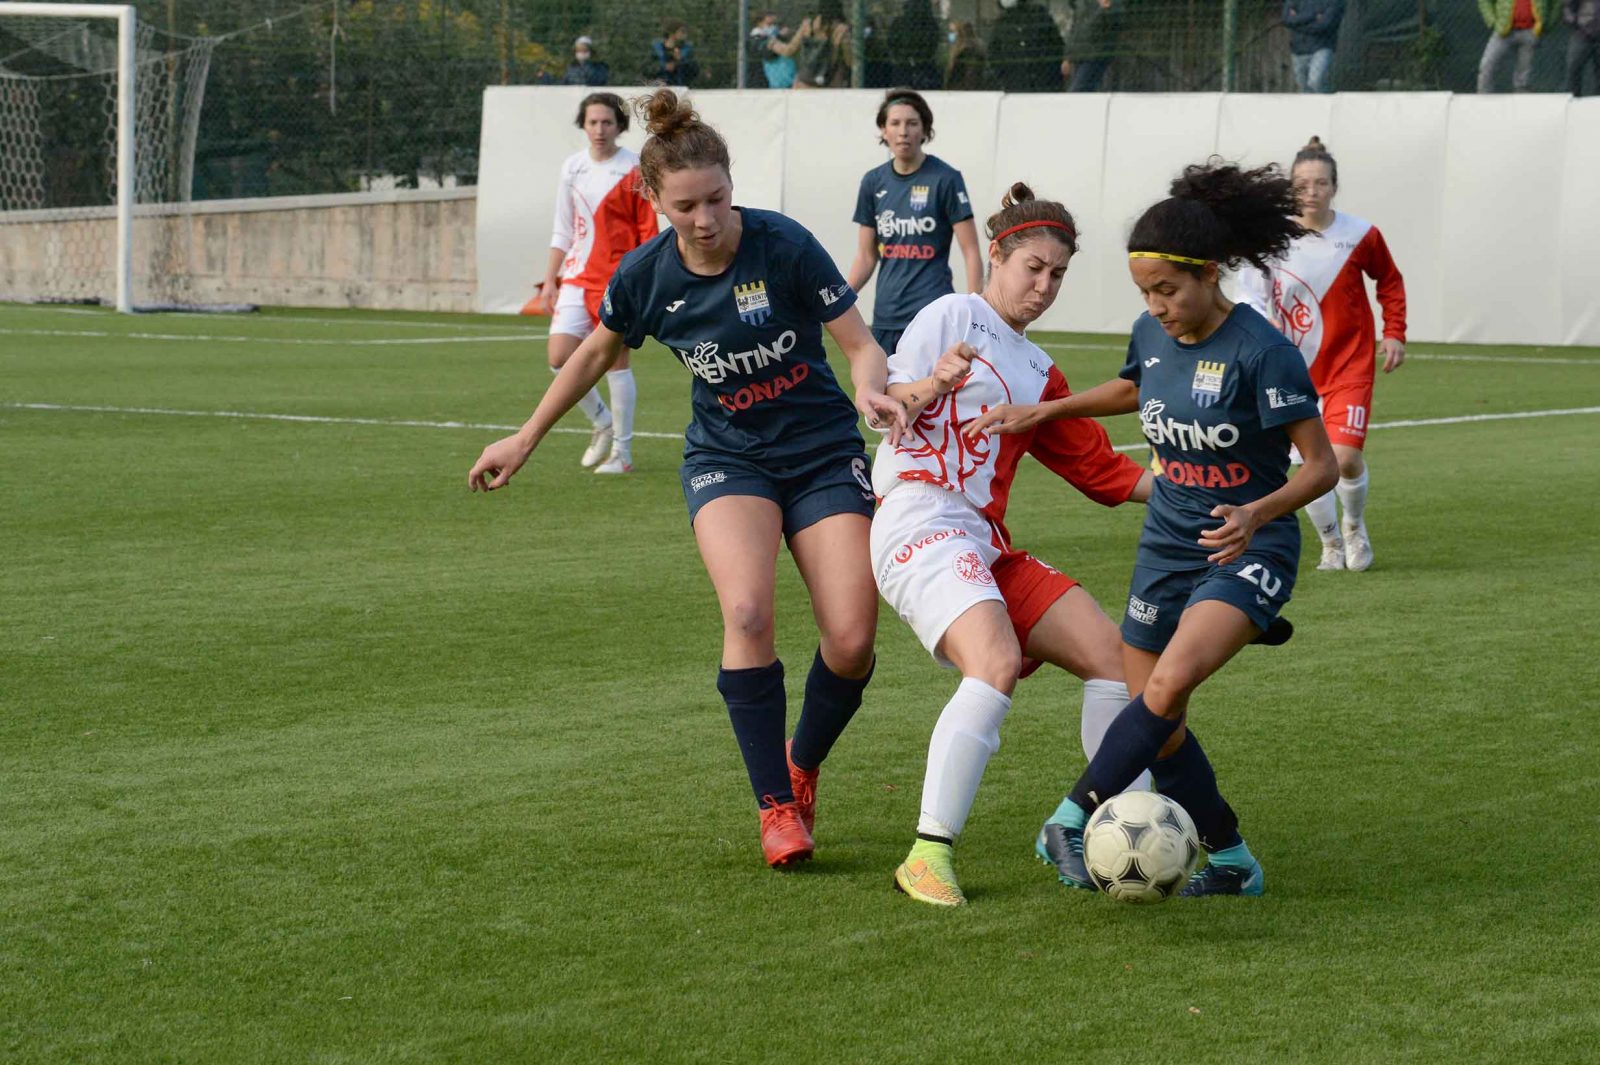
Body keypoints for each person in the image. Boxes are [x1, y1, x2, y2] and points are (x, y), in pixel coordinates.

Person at [469, 90, 907, 869]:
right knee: (745, 611)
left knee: (851, 636)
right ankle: (775, 806)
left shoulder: (784, 245)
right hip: (728, 457)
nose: (706, 219)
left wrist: (872, 385)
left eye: (717, 199)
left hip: (819, 447)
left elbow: (859, 343)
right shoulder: (645, 275)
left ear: (731, 186)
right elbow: (595, 353)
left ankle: (800, 764)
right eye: (686, 206)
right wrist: (528, 436)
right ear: (654, 199)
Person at [966, 160, 1339, 898]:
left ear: (1210, 274)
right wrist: (1043, 411)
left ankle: (1070, 817)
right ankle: (1232, 859)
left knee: (1165, 687)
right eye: (1145, 293)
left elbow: (1321, 466)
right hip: (1167, 543)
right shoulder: (1153, 330)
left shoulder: (1262, 352)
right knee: (1157, 722)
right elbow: (1137, 383)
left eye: (1168, 290)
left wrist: (1258, 511)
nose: (1157, 306)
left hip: (1247, 545)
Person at [873, 184, 1155, 907]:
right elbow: (890, 407)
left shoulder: (1041, 372)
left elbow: (1105, 473)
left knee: (1110, 658)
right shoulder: (953, 314)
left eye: (1057, 274)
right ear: (994, 255)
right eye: (1032, 266)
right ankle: (927, 854)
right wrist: (932, 383)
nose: (1043, 285)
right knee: (993, 662)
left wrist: (1207, 486)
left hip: (980, 539)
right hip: (918, 517)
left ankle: (1124, 826)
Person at [1235, 137, 1406, 571]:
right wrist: (1261, 330)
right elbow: (1249, 295)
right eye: (1302, 183)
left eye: (1320, 183)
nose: (1311, 191)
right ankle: (1330, 544)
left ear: (1334, 187)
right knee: (1311, 467)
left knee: (1344, 458)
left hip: (1349, 364)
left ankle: (1353, 526)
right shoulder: (1272, 240)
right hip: (1291, 370)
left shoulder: (1360, 234)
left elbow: (1389, 280)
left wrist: (1394, 332)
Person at [536, 93, 660, 474]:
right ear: (583, 125)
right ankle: (602, 422)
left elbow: (648, 230)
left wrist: (641, 281)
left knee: (615, 362)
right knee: (559, 356)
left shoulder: (635, 169)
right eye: (593, 122)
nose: (599, 130)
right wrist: (550, 280)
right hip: (576, 276)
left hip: (617, 279)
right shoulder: (572, 167)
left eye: (607, 122)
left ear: (618, 126)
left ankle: (622, 454)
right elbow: (563, 227)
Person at [846, 89, 984, 361]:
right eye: (895, 123)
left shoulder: (946, 179)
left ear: (924, 130)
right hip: (886, 315)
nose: (903, 131)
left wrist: (977, 313)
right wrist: (839, 299)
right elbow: (866, 255)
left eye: (912, 123)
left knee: (932, 398)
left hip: (933, 313)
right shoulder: (873, 183)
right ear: (883, 130)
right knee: (882, 399)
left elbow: (971, 252)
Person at [988, 0, 1066, 92]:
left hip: (1042, 84)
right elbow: (993, 54)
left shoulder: (1038, 14)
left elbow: (1056, 46)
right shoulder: (1002, 24)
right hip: (1019, 85)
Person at [771, 1, 852, 88]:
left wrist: (772, 43)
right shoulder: (841, 29)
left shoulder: (807, 25)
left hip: (804, 83)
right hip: (830, 83)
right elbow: (850, 61)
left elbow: (789, 51)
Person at [1478, 0, 1551, 92]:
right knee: (1487, 64)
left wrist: (1545, 23)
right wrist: (1492, 21)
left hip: (1530, 32)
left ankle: (1521, 101)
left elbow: (1556, 3)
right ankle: (1483, 99)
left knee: (1524, 76)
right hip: (1503, 31)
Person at [1281, 0, 1345, 93]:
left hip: (1322, 47)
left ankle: (1326, 105)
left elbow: (1324, 25)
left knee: (1316, 81)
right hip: (1298, 49)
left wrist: (1297, 24)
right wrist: (1313, 16)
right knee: (1304, 89)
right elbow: (1287, 20)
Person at [1062, 0, 1124, 92]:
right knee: (1084, 94)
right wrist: (1067, 57)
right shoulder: (1081, 4)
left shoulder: (1113, 4)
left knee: (1077, 93)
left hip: (1096, 56)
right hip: (1079, 55)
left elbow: (1117, 23)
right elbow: (1075, 30)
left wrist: (1107, 9)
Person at [889, 0, 943, 89]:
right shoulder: (931, 24)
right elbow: (934, 44)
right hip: (922, 64)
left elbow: (892, 42)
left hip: (905, 64)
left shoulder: (899, 22)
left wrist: (900, 56)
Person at [749, 12, 797, 89]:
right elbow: (770, 53)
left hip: (789, 82)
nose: (773, 27)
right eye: (769, 24)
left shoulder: (774, 36)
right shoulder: (757, 40)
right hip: (770, 86)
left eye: (775, 24)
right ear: (759, 24)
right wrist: (779, 36)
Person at [647, 20, 700, 86]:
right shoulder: (656, 49)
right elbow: (646, 69)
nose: (685, 35)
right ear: (672, 33)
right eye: (682, 32)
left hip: (681, 87)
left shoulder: (687, 50)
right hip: (659, 88)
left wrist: (680, 61)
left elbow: (694, 71)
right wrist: (663, 67)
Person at [944, 20, 989, 90]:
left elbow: (970, 78)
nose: (951, 35)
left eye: (953, 32)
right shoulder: (961, 51)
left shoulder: (968, 52)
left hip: (962, 92)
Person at [1568, 0, 1600, 95]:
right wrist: (1574, 22)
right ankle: (1573, 99)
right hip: (1582, 34)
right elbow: (1568, 6)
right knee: (1574, 68)